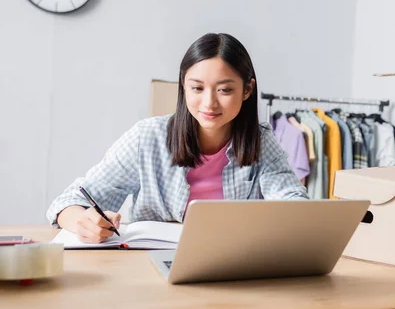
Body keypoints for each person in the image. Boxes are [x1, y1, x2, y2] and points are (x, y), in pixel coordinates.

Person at [47, 33, 309, 243]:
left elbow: (292, 202)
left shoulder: (261, 140)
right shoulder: (147, 137)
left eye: (225, 90)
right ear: (183, 86)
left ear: (247, 90)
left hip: (234, 265)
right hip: (151, 266)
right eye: (197, 88)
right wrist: (82, 222)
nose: (209, 103)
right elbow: (69, 202)